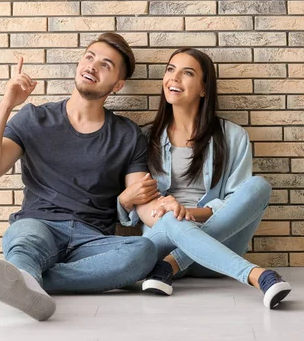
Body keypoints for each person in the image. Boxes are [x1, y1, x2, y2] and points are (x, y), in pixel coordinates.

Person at [0, 33, 161, 321]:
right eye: (89, 57)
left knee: (143, 251)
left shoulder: (127, 135)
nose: (92, 66)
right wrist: (7, 104)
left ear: (118, 84)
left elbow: (140, 197)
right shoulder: (34, 119)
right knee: (24, 238)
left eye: (105, 64)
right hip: (39, 225)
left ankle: (20, 279)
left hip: (91, 241)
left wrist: (170, 212)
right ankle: (23, 276)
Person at [117, 48, 292, 309]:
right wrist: (133, 203)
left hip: (218, 244)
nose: (174, 78)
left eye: (187, 73)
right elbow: (143, 205)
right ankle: (258, 276)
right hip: (162, 241)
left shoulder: (233, 137)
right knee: (169, 218)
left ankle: (172, 264)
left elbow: (237, 203)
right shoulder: (144, 139)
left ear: (203, 89)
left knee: (259, 186)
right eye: (170, 69)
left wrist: (187, 212)